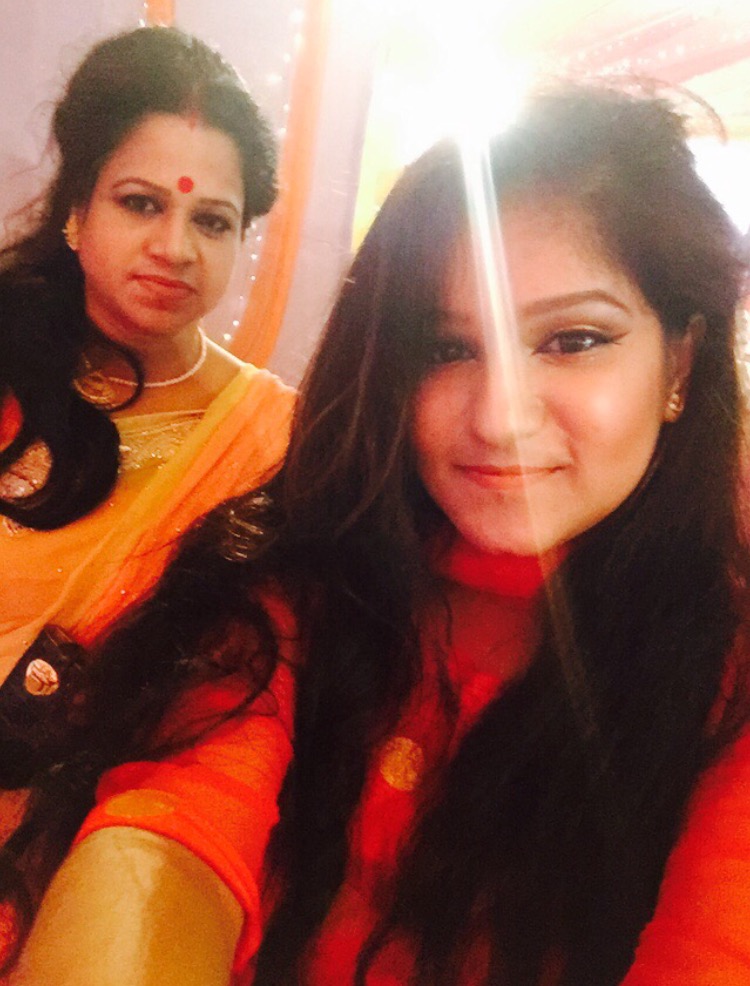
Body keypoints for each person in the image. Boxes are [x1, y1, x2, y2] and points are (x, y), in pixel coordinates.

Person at [9, 83, 750, 985]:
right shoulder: (309, 576)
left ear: (680, 363)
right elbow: (174, 821)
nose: (500, 418)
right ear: (76, 210)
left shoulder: (725, 672)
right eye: (445, 348)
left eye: (575, 340)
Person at [0, 26, 295, 744]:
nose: (174, 248)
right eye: (140, 203)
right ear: (77, 211)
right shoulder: (10, 358)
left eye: (212, 221)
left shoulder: (272, 439)